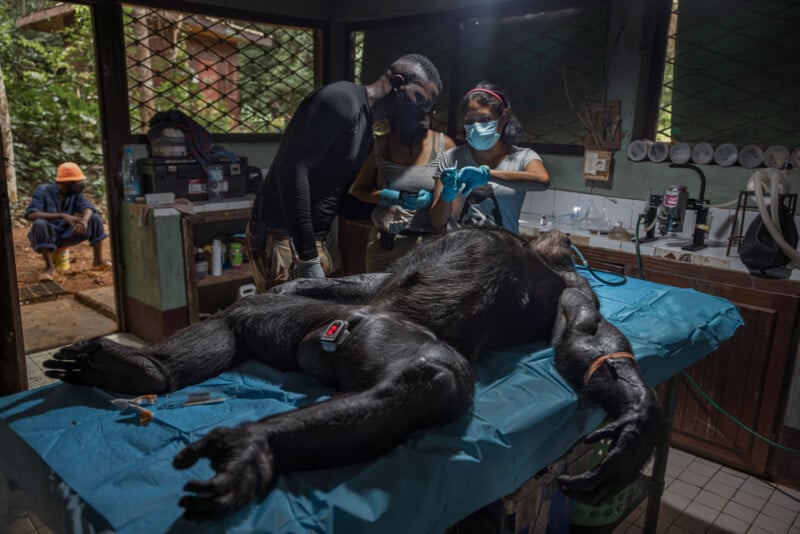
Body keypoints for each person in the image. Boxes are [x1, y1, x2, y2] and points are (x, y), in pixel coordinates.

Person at [246, 54, 443, 292]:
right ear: (399, 83)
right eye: (420, 99)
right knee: (284, 326)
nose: (422, 112)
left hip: (318, 240)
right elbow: (293, 171)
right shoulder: (341, 99)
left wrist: (378, 214)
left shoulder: (365, 131)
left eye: (429, 107)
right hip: (285, 239)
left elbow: (334, 198)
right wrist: (307, 257)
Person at [431, 82, 550, 234]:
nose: (476, 126)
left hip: (503, 252)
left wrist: (488, 175)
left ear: (504, 116)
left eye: (484, 119)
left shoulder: (523, 157)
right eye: (469, 121)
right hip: (458, 252)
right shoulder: (451, 158)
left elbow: (542, 181)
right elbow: (437, 222)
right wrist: (446, 194)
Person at [349, 110, 455, 272]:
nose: (422, 119)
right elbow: (358, 190)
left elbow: (454, 197)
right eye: (415, 112)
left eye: (425, 112)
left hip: (427, 246)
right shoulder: (382, 144)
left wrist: (432, 199)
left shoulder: (444, 145)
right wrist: (386, 197)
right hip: (385, 244)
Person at [25, 162, 110, 280]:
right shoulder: (43, 190)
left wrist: (84, 221)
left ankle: (98, 261)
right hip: (48, 235)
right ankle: (49, 268)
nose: (80, 184)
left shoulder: (74, 194)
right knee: (40, 223)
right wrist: (62, 215)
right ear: (67, 183)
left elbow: (88, 208)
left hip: (68, 233)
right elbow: (31, 214)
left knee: (94, 218)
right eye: (77, 182)